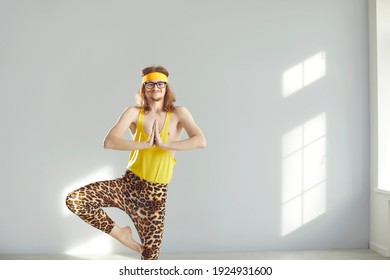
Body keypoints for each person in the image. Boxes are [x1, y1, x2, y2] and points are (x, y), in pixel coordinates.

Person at [66, 65, 206, 260]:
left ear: (166, 88)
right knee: (76, 200)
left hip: (154, 197)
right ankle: (123, 235)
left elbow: (200, 141)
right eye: (150, 84)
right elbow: (109, 141)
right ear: (143, 88)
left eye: (160, 84)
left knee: (150, 258)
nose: (155, 88)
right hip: (129, 185)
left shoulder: (179, 113)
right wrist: (145, 144)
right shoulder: (133, 112)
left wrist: (164, 144)